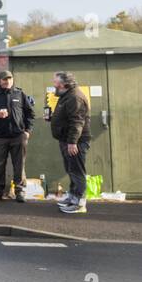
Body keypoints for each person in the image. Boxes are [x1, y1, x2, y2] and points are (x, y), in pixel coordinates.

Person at [0, 70, 34, 202]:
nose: (7, 81)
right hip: (0, 136)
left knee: (19, 165)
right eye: (5, 79)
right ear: (0, 81)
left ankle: (20, 191)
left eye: (9, 79)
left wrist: (27, 131)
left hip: (18, 135)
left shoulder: (20, 94)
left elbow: (30, 114)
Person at [49, 71, 91, 214]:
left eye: (55, 82)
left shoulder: (74, 97)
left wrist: (73, 142)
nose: (53, 84)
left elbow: (77, 121)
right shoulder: (65, 95)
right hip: (66, 140)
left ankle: (80, 203)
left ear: (62, 84)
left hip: (75, 142)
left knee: (77, 171)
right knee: (71, 170)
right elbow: (66, 117)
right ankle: (73, 198)